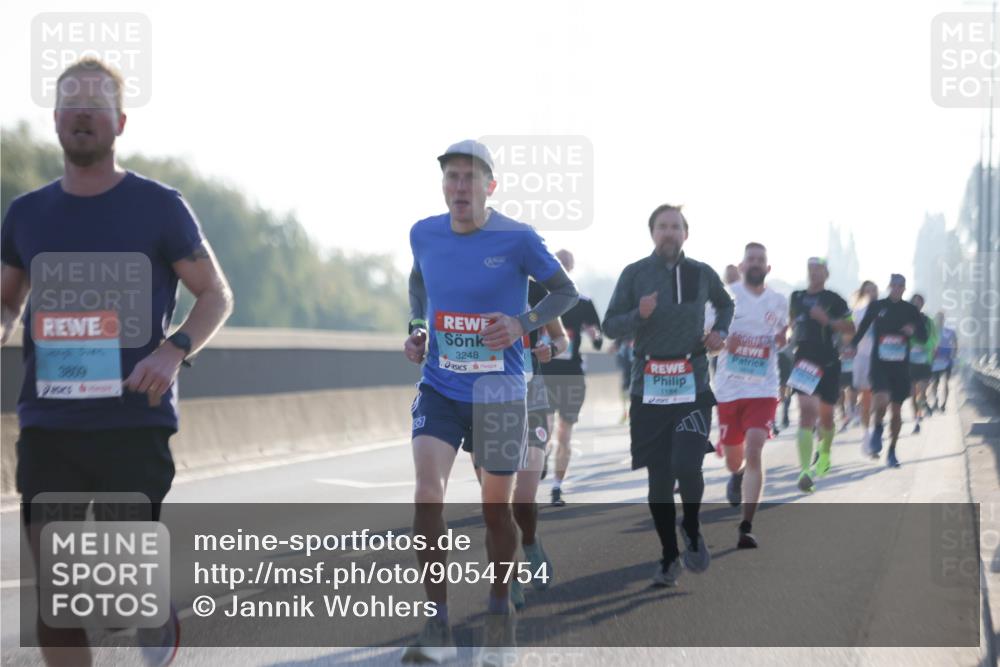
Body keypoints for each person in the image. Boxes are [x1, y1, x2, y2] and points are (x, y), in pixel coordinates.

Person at [0, 58, 234, 667]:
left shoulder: (158, 207)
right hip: (51, 428)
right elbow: (6, 301)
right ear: (54, 119)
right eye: (70, 102)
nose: (82, 112)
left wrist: (174, 349)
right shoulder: (26, 215)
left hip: (134, 421)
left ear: (118, 122)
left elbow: (216, 294)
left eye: (95, 104)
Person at [402, 139, 578, 665]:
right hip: (441, 386)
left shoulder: (518, 238)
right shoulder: (424, 233)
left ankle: (500, 607)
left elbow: (564, 292)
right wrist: (416, 327)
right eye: (451, 177)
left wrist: (521, 324)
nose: (460, 187)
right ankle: (438, 627)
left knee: (494, 511)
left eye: (470, 178)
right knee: (426, 495)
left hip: (501, 390)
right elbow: (418, 283)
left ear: (489, 186)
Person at [603, 203, 733, 587]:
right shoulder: (635, 274)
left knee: (687, 465)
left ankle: (691, 529)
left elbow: (725, 304)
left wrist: (719, 333)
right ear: (652, 233)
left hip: (691, 382)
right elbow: (610, 325)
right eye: (662, 226)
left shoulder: (701, 273)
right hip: (649, 387)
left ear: (685, 234)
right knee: (659, 480)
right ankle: (667, 556)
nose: (669, 233)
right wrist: (638, 316)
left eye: (675, 226)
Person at [462, 278, 567, 610]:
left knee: (522, 498)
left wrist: (551, 348)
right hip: (480, 399)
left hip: (529, 397)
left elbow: (561, 337)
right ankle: (514, 573)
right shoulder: (464, 286)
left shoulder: (534, 291)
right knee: (496, 506)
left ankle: (532, 543)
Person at [713, 243, 787, 549]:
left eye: (761, 260)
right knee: (735, 459)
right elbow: (709, 340)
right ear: (742, 266)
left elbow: (783, 336)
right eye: (750, 260)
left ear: (767, 268)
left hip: (763, 388)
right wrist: (724, 342)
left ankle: (746, 525)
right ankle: (737, 473)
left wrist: (783, 338)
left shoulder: (778, 300)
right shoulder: (725, 297)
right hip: (730, 390)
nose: (755, 264)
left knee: (755, 448)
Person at [845, 274, 927, 468]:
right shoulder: (877, 306)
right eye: (894, 285)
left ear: (904, 289)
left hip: (900, 367)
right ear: (889, 286)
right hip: (879, 365)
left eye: (901, 286)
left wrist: (913, 330)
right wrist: (852, 346)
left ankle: (892, 451)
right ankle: (878, 428)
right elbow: (863, 328)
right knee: (880, 403)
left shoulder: (910, 310)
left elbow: (923, 336)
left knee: (897, 412)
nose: (897, 288)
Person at [787, 258, 855, 492]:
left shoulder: (834, 299)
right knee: (807, 412)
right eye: (811, 269)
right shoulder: (796, 297)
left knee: (826, 417)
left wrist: (828, 321)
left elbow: (850, 329)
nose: (814, 273)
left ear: (827, 273)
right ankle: (805, 470)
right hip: (804, 360)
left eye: (819, 269)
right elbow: (791, 322)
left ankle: (824, 453)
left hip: (829, 362)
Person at [542, 249, 603, 507]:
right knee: (543, 431)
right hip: (543, 374)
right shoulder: (539, 299)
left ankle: (557, 486)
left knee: (565, 434)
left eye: (567, 264)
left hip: (572, 376)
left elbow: (599, 342)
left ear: (572, 267)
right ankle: (541, 456)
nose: (563, 267)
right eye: (558, 263)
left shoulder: (583, 303)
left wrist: (593, 334)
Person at [850, 280, 879, 456]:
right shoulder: (858, 313)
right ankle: (867, 437)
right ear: (862, 293)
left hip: (880, 360)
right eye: (867, 291)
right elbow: (850, 335)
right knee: (867, 400)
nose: (871, 294)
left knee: (881, 400)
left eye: (874, 291)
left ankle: (874, 428)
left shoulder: (883, 312)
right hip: (862, 358)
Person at [907, 294, 937, 434]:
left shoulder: (928, 321)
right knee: (912, 394)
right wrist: (910, 346)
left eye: (919, 302)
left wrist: (925, 346)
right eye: (914, 302)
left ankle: (920, 414)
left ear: (922, 304)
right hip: (910, 362)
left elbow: (934, 339)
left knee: (922, 392)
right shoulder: (906, 319)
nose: (916, 304)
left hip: (925, 361)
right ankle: (917, 418)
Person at [929, 312, 958, 412]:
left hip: (947, 361)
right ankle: (936, 401)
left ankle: (944, 404)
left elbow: (955, 342)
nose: (940, 320)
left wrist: (953, 354)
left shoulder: (949, 331)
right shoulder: (932, 331)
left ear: (944, 319)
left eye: (942, 318)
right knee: (935, 383)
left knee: (946, 382)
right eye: (938, 318)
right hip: (935, 361)